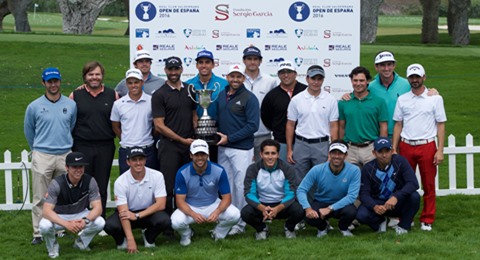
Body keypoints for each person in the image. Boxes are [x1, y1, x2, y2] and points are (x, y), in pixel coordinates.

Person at [24, 67, 77, 245]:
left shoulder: (70, 105)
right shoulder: (34, 106)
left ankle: (59, 228)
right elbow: (29, 130)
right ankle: (38, 232)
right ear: (43, 83)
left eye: (56, 81)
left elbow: (71, 126)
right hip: (43, 155)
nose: (53, 85)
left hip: (64, 155)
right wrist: (38, 148)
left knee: (62, 195)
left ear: (60, 82)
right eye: (49, 81)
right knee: (41, 196)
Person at [392, 63, 446, 231]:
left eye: (417, 77)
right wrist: (394, 148)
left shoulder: (434, 98)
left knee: (429, 184)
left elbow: (441, 125)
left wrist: (440, 150)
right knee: (403, 184)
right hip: (407, 145)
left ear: (424, 77)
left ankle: (427, 219)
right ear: (408, 79)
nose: (414, 80)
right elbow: (398, 124)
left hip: (427, 145)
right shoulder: (402, 99)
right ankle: (406, 217)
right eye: (411, 77)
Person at [70, 61, 118, 226]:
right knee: (81, 183)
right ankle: (80, 221)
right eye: (90, 74)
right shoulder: (76, 95)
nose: (94, 77)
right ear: (85, 77)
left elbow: (117, 121)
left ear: (102, 76)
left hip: (105, 145)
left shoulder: (113, 95)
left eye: (97, 74)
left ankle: (100, 220)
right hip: (82, 145)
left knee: (101, 185)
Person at [215, 64, 260, 235]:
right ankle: (229, 217)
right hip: (223, 147)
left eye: (239, 77)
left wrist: (230, 138)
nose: (235, 80)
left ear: (243, 78)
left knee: (240, 186)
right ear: (227, 77)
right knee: (226, 186)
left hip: (241, 149)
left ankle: (240, 223)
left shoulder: (250, 98)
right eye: (232, 76)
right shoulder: (221, 94)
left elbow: (253, 126)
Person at [171, 139, 241, 246]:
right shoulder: (182, 172)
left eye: (203, 154)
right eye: (196, 154)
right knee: (175, 222)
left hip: (213, 204)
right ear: (191, 155)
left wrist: (217, 211)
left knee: (235, 215)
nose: (200, 158)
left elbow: (227, 198)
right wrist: (193, 214)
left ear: (208, 154)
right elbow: (180, 202)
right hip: (191, 206)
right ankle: (187, 234)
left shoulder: (219, 170)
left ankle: (218, 233)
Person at [152, 56, 197, 216]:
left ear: (181, 70)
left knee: (187, 185)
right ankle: (168, 223)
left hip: (189, 146)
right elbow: (159, 125)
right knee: (168, 186)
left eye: (176, 69)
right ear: (165, 70)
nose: (173, 72)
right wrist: (181, 140)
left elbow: (194, 115)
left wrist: (198, 134)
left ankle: (185, 219)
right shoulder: (159, 94)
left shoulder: (190, 90)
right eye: (170, 69)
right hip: (169, 146)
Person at [104, 147, 171, 253]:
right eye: (134, 160)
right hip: (128, 212)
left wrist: (137, 215)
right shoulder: (120, 181)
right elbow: (123, 212)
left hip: (148, 212)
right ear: (128, 162)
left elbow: (161, 204)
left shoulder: (157, 176)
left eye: (141, 159)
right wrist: (131, 240)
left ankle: (149, 237)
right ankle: (122, 241)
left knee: (165, 220)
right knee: (109, 225)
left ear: (145, 160)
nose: (138, 163)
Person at [39, 152, 105, 258]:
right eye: (74, 167)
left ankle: (81, 243)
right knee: (44, 226)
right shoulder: (56, 183)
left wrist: (85, 220)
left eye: (81, 166)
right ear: (67, 168)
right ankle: (52, 247)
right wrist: (66, 224)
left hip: (80, 214)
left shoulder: (90, 181)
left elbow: (98, 208)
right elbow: (46, 211)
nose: (78, 170)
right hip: (60, 215)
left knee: (100, 222)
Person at [286, 65, 339, 185]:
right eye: (313, 78)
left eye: (319, 79)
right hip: (301, 144)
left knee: (322, 178)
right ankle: (300, 203)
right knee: (299, 178)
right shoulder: (297, 99)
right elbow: (290, 125)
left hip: (321, 144)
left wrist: (333, 149)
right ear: (307, 79)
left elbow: (334, 126)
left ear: (323, 80)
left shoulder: (330, 99)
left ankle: (318, 204)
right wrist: (290, 149)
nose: (316, 82)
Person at [241, 139, 304, 240]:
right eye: (267, 153)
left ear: (278, 154)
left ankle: (289, 227)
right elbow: (249, 193)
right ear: (261, 154)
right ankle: (261, 229)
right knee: (245, 213)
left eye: (273, 153)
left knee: (300, 211)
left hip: (282, 205)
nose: (270, 157)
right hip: (262, 204)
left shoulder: (287, 168)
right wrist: (262, 208)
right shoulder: (253, 169)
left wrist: (277, 208)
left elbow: (291, 194)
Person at [356, 137, 420, 235]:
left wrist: (396, 197)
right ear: (374, 153)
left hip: (396, 203)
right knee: (361, 215)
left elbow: (413, 183)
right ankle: (379, 222)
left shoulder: (400, 162)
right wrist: (374, 206)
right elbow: (364, 193)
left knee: (414, 197)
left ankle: (403, 226)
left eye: (387, 151)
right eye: (380, 152)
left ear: (392, 151)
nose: (384, 155)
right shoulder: (367, 168)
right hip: (378, 202)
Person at [297, 140, 360, 237]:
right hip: (321, 201)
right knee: (309, 217)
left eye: (340, 153)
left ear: (346, 155)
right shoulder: (317, 169)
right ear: (329, 154)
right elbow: (301, 189)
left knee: (351, 212)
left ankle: (343, 228)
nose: (336, 156)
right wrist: (308, 208)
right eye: (334, 153)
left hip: (341, 203)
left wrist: (330, 208)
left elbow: (352, 196)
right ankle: (323, 227)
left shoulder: (354, 170)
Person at [338, 66, 388, 167]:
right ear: (351, 81)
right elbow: (341, 127)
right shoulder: (344, 102)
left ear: (367, 81)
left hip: (371, 148)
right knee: (350, 180)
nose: (358, 84)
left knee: (371, 179)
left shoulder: (379, 102)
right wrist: (341, 147)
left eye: (361, 80)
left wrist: (381, 147)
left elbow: (383, 126)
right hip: (350, 149)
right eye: (355, 80)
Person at [185, 50, 228, 162]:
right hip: (196, 132)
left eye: (207, 62)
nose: (204, 65)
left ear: (213, 64)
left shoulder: (223, 84)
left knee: (215, 164)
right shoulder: (188, 84)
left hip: (217, 132)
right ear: (196, 65)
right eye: (201, 62)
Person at [111, 68, 156, 174]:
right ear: (126, 84)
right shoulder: (118, 104)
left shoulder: (152, 101)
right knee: (127, 184)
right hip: (127, 149)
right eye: (130, 83)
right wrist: (126, 138)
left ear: (142, 82)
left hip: (147, 149)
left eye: (136, 82)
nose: (133, 85)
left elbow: (156, 125)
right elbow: (115, 126)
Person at [261, 60, 307, 161]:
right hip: (281, 143)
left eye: (289, 72)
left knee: (302, 174)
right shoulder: (272, 95)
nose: (286, 75)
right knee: (283, 173)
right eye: (282, 73)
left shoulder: (306, 91)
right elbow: (266, 117)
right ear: (278, 75)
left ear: (295, 74)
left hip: (304, 142)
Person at [242, 46, 277, 160]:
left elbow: (273, 108)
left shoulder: (270, 81)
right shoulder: (237, 79)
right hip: (242, 135)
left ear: (260, 61)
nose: (252, 62)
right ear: (244, 60)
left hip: (263, 134)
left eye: (255, 59)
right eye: (249, 58)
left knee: (263, 170)